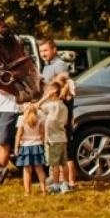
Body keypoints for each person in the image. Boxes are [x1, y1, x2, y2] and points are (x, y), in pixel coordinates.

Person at [38, 38, 78, 190]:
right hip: (52, 108)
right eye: (41, 51)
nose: (43, 54)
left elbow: (62, 82)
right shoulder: (47, 66)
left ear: (54, 49)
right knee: (56, 146)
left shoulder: (59, 64)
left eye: (46, 50)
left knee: (65, 146)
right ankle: (58, 179)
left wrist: (47, 95)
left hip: (60, 108)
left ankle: (70, 181)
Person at [38, 78, 72, 194]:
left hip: (52, 140)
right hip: (62, 138)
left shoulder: (51, 106)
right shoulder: (64, 107)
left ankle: (56, 185)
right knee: (64, 163)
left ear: (52, 93)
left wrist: (46, 97)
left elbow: (37, 106)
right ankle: (66, 183)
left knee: (54, 165)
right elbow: (66, 122)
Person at [13, 99, 48, 195]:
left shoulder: (21, 119)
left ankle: (27, 192)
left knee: (27, 170)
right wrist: (44, 144)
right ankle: (44, 190)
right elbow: (42, 134)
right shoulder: (39, 119)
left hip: (25, 147)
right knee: (40, 169)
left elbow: (18, 135)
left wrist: (16, 147)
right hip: (37, 146)